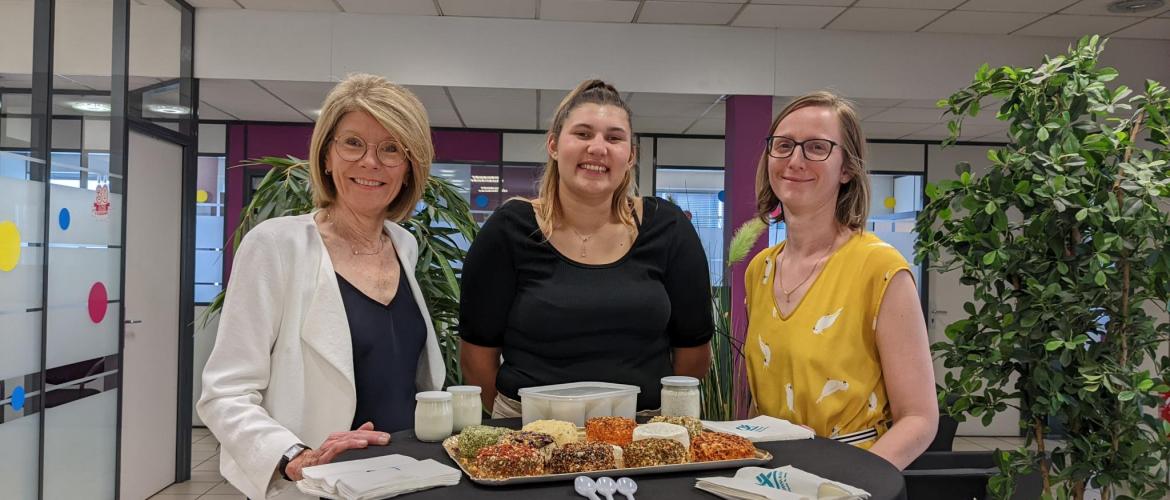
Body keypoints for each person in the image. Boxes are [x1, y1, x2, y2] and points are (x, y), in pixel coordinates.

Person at [197, 74, 444, 499]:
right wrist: (293, 455)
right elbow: (225, 393)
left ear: (409, 167)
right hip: (322, 485)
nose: (370, 162)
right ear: (327, 156)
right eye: (352, 143)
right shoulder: (276, 245)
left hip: (408, 478)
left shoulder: (403, 245)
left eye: (391, 149)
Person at [459, 79, 714, 416]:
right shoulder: (509, 229)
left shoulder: (668, 227)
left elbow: (694, 352)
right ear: (553, 145)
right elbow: (476, 354)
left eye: (614, 137)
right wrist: (518, 426)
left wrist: (661, 428)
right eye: (582, 134)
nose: (598, 148)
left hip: (644, 433)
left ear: (630, 156)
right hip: (530, 431)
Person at [743, 91, 937, 470]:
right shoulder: (760, 270)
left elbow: (920, 419)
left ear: (847, 168)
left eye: (816, 147)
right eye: (783, 146)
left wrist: (850, 486)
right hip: (769, 478)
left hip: (848, 478)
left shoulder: (879, 268)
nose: (795, 160)